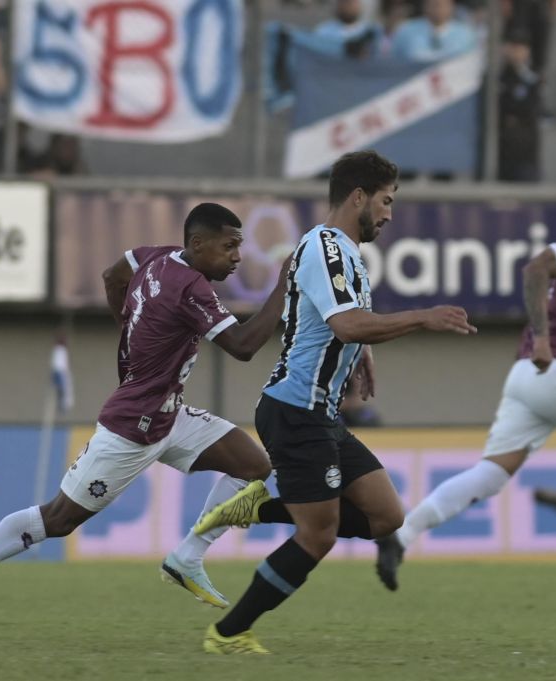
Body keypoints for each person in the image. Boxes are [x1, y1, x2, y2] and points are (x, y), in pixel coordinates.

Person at [0, 203, 292, 628]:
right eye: (229, 246)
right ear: (198, 244)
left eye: (240, 246)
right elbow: (242, 346)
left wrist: (131, 329)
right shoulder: (191, 288)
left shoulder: (155, 255)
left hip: (169, 414)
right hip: (132, 427)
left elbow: (113, 275)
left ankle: (186, 558)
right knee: (57, 519)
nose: (238, 256)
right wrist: (283, 285)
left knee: (253, 464)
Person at [192, 150, 478, 654]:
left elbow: (336, 324)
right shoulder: (326, 247)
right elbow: (344, 323)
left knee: (387, 518)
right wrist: (423, 316)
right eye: (386, 201)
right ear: (358, 196)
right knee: (317, 537)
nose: (390, 214)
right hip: (294, 410)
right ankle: (228, 634)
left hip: (318, 413)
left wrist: (362, 352)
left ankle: (260, 507)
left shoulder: (343, 252)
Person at [375, 171, 556, 592]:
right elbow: (536, 269)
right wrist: (545, 338)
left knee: (491, 475)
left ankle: (401, 536)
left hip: (527, 378)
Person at [498, 28, 542, 182]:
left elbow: (529, 109)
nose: (515, 52)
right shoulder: (496, 78)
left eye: (520, 47)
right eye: (512, 46)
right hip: (500, 148)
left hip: (525, 149)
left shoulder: (533, 79)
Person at [391, 0, 478, 62]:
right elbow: (394, 62)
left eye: (442, 4)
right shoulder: (406, 31)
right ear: (425, 5)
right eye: (434, 4)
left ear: (451, 6)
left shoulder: (465, 34)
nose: (438, 8)